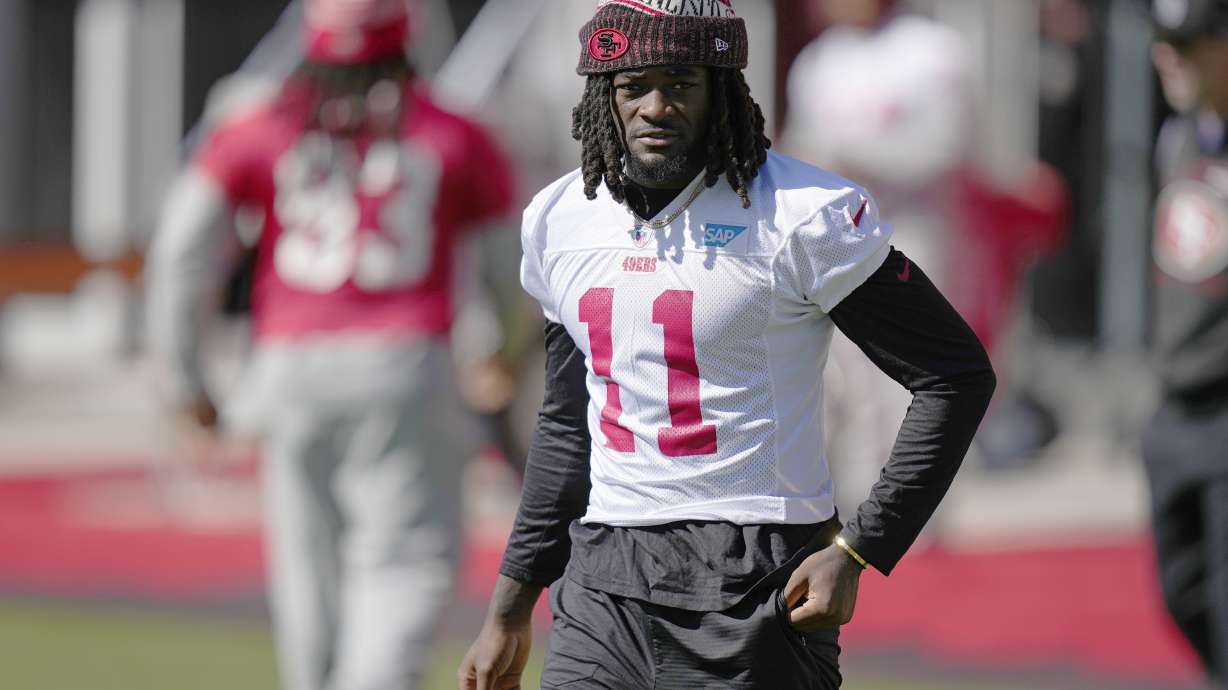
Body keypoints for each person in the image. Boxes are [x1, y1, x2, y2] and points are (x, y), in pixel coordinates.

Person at [458, 2, 995, 689]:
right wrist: (509, 606)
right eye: (633, 85)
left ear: (722, 89)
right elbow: (567, 426)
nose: (656, 107)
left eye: (680, 83)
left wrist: (862, 548)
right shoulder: (561, 218)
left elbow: (954, 374)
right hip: (603, 577)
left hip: (753, 570)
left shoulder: (803, 214)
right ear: (603, 94)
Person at [145, 1, 515, 688]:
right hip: (406, 363)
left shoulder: (258, 123)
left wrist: (186, 379)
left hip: (289, 369)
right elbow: (510, 263)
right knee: (402, 569)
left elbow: (181, 249)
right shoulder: (454, 131)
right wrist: (503, 351)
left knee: (307, 583)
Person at [1146, 1, 1228, 685]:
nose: (1170, 58)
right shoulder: (1176, 139)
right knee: (1183, 590)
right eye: (1163, 42)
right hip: (1176, 404)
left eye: (1190, 42)